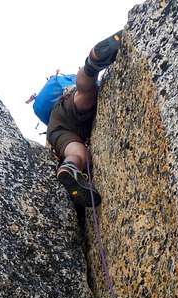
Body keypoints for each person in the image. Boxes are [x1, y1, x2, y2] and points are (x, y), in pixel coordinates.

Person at [47, 32, 122, 208]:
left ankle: (70, 167)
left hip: (57, 129)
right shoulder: (69, 90)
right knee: (87, 94)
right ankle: (92, 63)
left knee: (79, 154)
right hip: (67, 111)